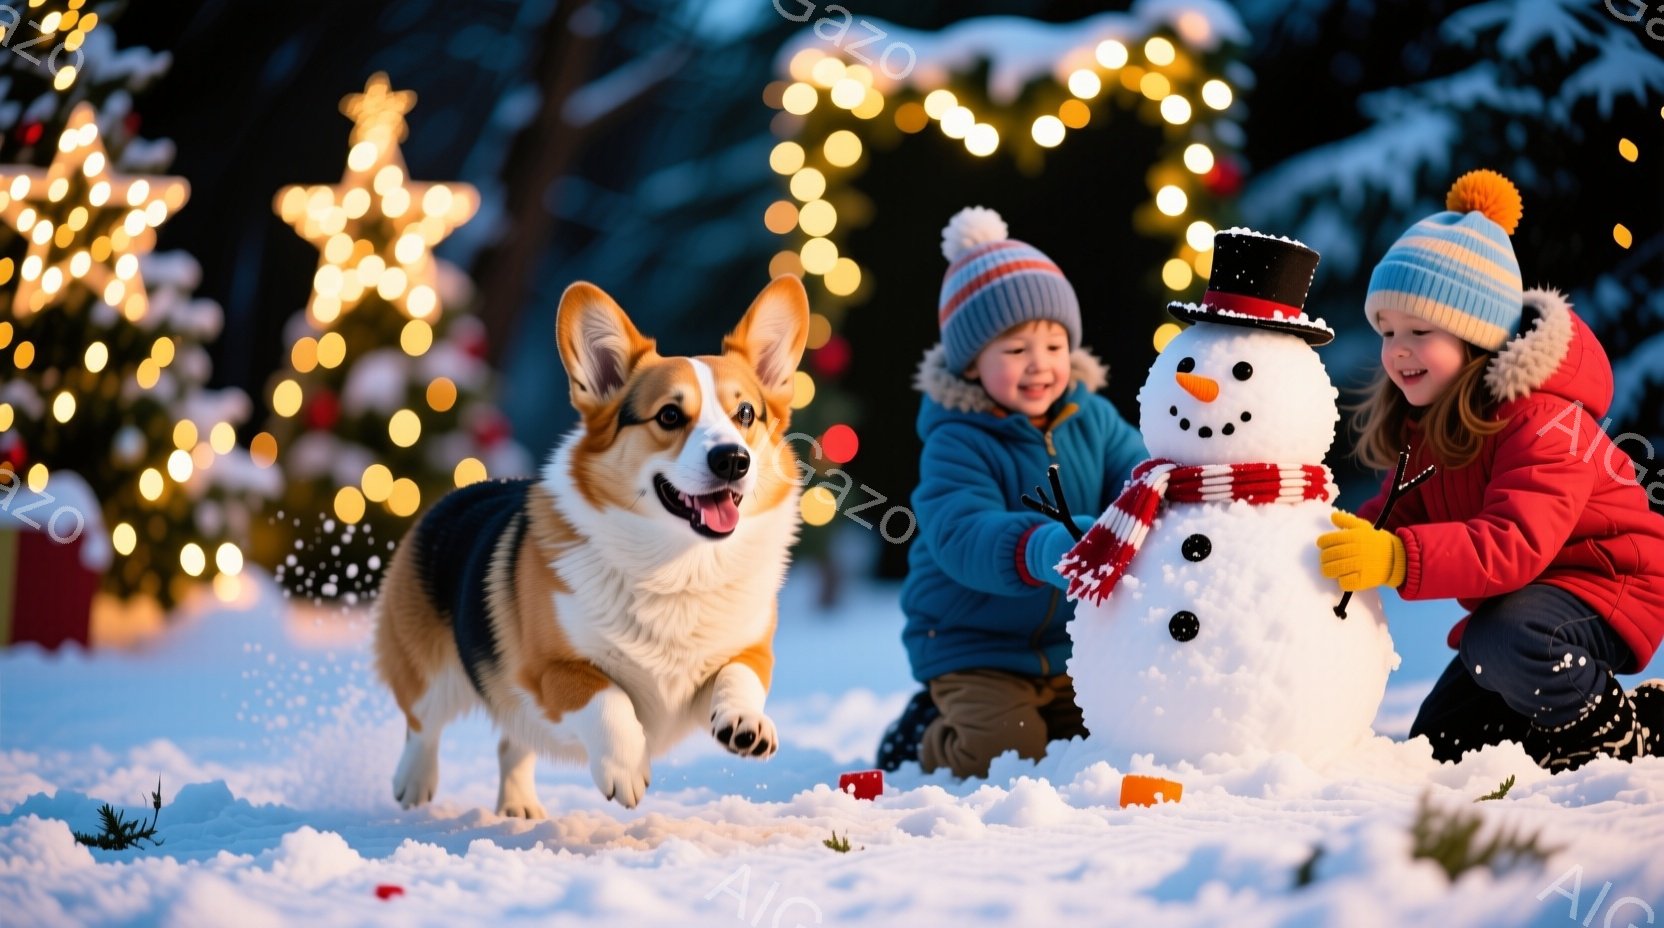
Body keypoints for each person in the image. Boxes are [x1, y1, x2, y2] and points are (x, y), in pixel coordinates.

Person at [1317, 170, 1664, 772]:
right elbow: (1397, 510)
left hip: (1608, 580)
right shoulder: (1427, 423)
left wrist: (1397, 558)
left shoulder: (1546, 420)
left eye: (1420, 331)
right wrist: (1322, 535)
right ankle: (1561, 724)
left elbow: (1516, 542)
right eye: (1388, 331)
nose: (1397, 349)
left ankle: (1619, 730)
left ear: (1476, 338)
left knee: (1503, 642)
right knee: (1438, 751)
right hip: (1520, 605)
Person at [875, 206, 1145, 778]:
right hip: (975, 645)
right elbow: (960, 532)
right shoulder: (956, 441)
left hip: (1069, 645)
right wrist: (1047, 544)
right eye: (1016, 350)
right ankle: (929, 734)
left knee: (1108, 738)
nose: (1040, 366)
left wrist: (1162, 500)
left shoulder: (1091, 416)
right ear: (972, 364)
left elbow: (1136, 473)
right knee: (1007, 752)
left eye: (1052, 346)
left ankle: (1033, 716)